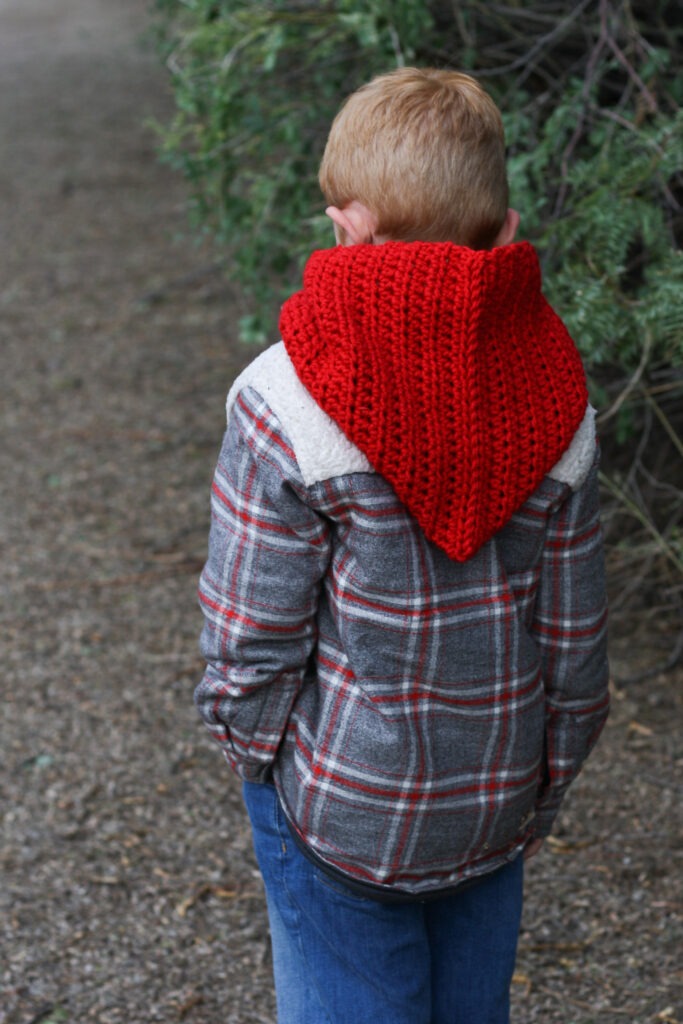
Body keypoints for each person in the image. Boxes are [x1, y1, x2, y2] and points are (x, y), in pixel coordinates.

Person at [195, 68, 610, 1024]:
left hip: (336, 796)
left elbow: (248, 630)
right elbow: (575, 643)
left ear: (347, 225)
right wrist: (543, 786)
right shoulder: (558, 395)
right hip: (493, 794)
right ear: (504, 232)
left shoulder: (284, 397)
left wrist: (254, 759)